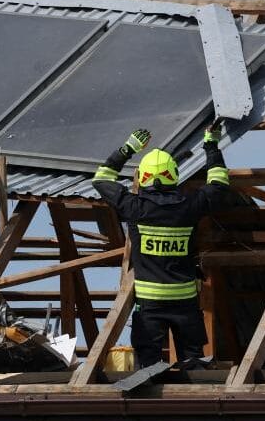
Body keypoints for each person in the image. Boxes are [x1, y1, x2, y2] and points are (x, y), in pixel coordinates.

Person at [92, 123, 232, 368]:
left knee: (149, 371)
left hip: (149, 304)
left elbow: (102, 178)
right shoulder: (189, 207)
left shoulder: (134, 208)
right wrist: (211, 145)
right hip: (185, 301)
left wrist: (128, 148)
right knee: (194, 365)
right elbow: (219, 182)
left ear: (143, 176)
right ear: (174, 174)